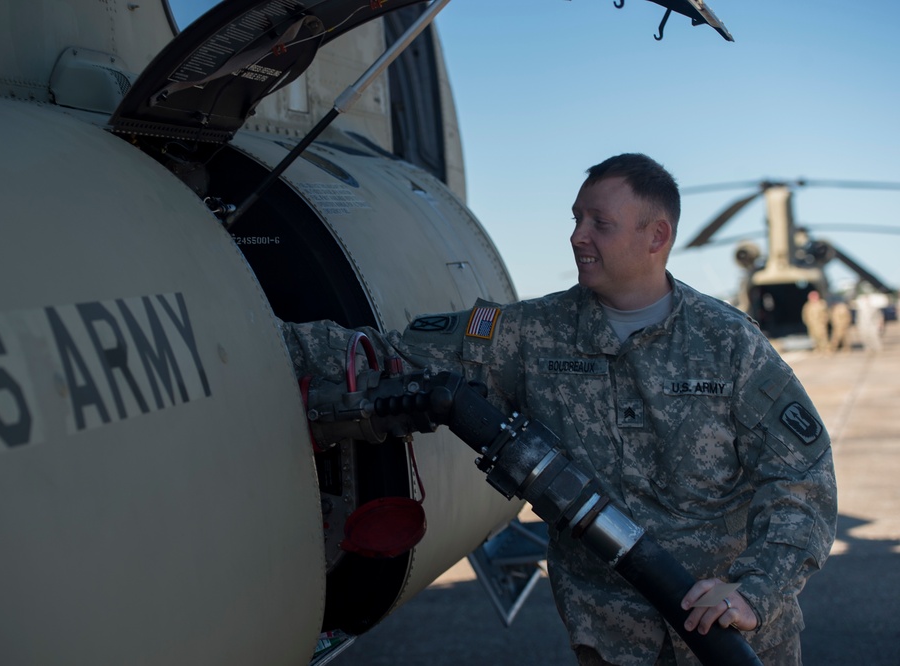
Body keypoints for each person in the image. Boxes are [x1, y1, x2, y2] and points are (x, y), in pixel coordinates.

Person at [282, 154, 837, 665]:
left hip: (733, 636)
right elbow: (392, 355)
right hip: (615, 640)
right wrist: (257, 336)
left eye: (600, 223)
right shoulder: (528, 333)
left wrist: (754, 590)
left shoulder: (730, 344)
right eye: (576, 219)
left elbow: (801, 478)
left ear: (656, 236)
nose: (577, 237)